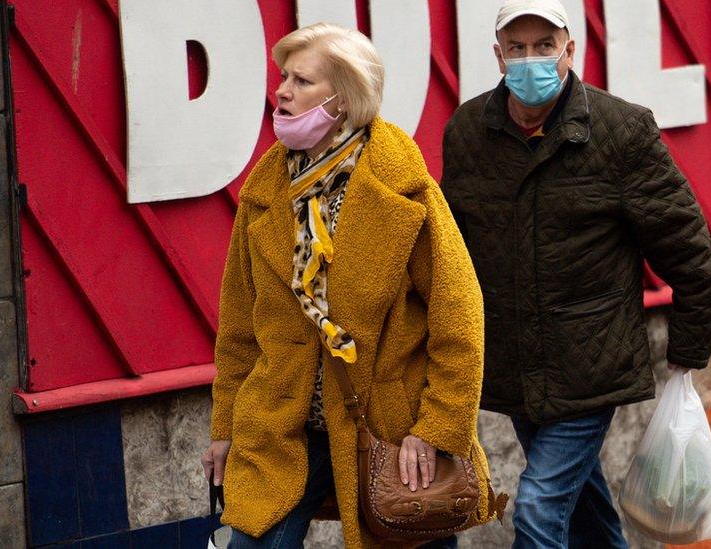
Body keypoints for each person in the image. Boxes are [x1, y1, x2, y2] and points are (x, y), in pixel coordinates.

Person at [201, 23, 497, 548]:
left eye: (302, 81)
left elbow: (459, 313)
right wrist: (225, 429)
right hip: (280, 423)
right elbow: (240, 329)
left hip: (388, 425)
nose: (282, 91)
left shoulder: (402, 187)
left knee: (408, 536)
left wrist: (436, 428)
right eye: (284, 77)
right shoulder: (265, 193)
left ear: (344, 98)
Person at [440, 1, 711, 547]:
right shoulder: (469, 132)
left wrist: (685, 359)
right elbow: (452, 254)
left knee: (538, 507)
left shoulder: (621, 131)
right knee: (585, 504)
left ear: (571, 50)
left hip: (593, 364)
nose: (531, 60)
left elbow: (689, 253)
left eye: (545, 47)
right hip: (514, 363)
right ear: (498, 57)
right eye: (516, 49)